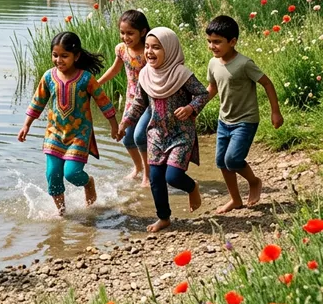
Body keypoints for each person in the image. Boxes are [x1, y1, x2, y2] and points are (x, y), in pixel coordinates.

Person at [116, 27, 210, 232]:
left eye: (156, 47)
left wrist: (190, 108)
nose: (149, 52)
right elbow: (139, 103)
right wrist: (124, 123)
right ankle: (164, 218)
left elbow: (202, 94)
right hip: (156, 134)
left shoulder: (182, 74)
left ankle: (192, 187)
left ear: (170, 49)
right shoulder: (145, 75)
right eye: (147, 47)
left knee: (173, 176)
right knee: (155, 179)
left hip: (181, 133)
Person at [18, 31, 118, 215]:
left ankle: (88, 183)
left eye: (64, 56)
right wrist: (26, 125)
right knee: (52, 175)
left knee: (72, 173)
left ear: (76, 56)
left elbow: (103, 101)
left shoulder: (86, 79)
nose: (59, 60)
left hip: (79, 134)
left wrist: (114, 125)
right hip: (54, 133)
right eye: (55, 55)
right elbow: (37, 102)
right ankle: (62, 215)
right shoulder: (48, 77)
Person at [206, 15, 283, 214]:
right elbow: (212, 88)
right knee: (221, 162)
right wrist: (194, 108)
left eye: (217, 42)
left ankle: (254, 181)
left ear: (232, 42)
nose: (212, 46)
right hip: (224, 120)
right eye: (209, 41)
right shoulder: (213, 63)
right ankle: (235, 199)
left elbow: (267, 83)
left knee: (232, 160)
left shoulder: (244, 63)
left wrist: (275, 112)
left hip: (245, 121)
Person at [98, 10, 150, 186]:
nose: (125, 37)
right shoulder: (122, 49)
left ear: (142, 32)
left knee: (140, 136)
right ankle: (138, 167)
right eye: (122, 32)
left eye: (130, 33)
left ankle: (148, 174)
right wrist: (98, 83)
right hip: (131, 99)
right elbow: (114, 69)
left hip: (148, 101)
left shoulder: (148, 51)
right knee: (127, 138)